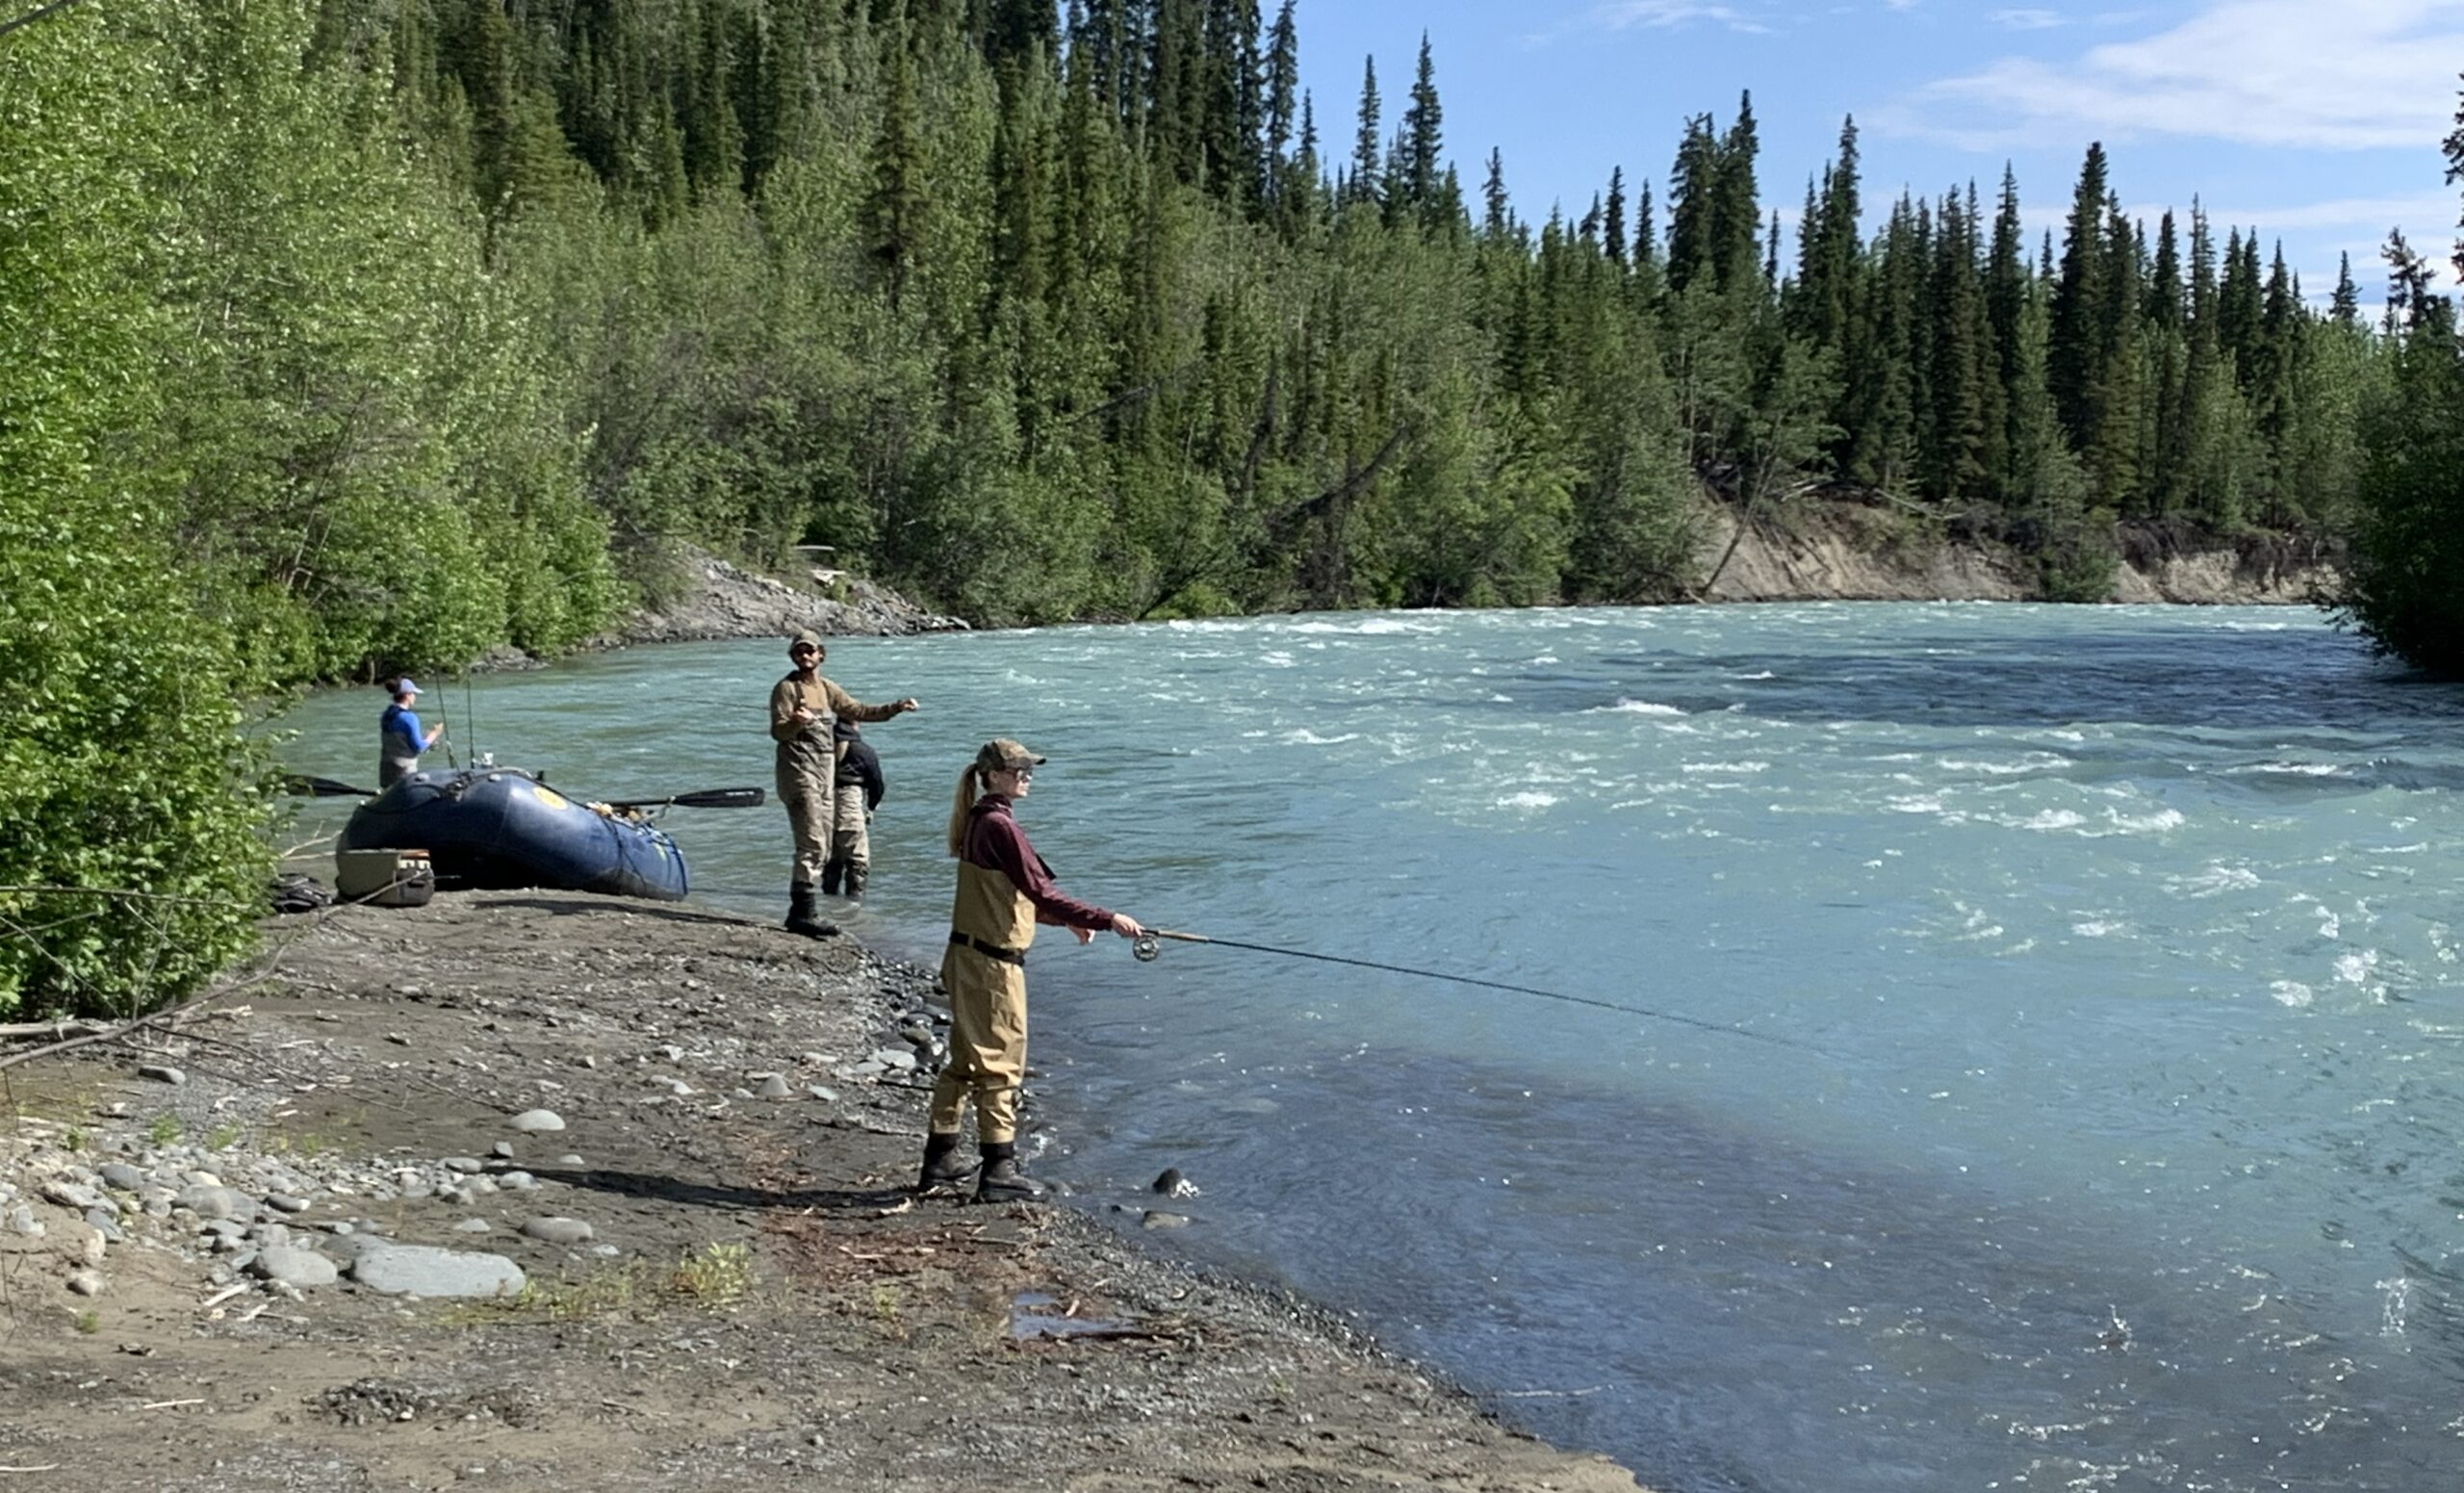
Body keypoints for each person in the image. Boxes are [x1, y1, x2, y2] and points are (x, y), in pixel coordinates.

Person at [920, 738, 1143, 1202]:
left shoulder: (981, 819)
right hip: (991, 969)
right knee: (1000, 1067)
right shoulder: (1000, 826)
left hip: (966, 957)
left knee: (963, 1063)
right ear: (994, 774)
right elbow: (1041, 892)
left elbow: (1009, 896)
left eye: (1028, 768)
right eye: (1018, 768)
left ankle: (940, 1159)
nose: (1027, 775)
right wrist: (1106, 918)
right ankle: (998, 1170)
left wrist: (1066, 923)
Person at [768, 631, 916, 939]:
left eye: (810, 650)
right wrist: (797, 720)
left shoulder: (827, 688)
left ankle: (809, 909)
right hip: (799, 775)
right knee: (812, 843)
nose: (804, 655)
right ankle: (802, 914)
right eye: (799, 651)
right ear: (793, 656)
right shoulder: (786, 688)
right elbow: (779, 733)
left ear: (821, 654)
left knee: (823, 844)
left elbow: (860, 711)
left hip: (824, 777)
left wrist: (897, 707)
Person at [822, 717, 886, 897]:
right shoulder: (863, 751)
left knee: (831, 858)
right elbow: (877, 785)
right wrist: (871, 807)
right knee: (857, 859)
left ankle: (828, 901)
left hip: (821, 807)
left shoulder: (822, 747)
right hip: (848, 806)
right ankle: (853, 906)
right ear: (856, 725)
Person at [377, 679, 445, 788]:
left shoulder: (386, 715)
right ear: (407, 695)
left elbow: (399, 741)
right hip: (403, 773)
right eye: (413, 694)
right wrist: (434, 734)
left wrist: (425, 738)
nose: (414, 697)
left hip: (386, 771)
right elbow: (419, 747)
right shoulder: (409, 718)